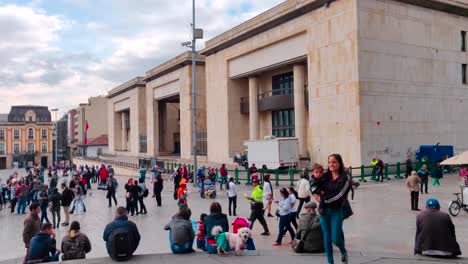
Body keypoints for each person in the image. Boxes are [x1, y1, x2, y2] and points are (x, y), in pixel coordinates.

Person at [318, 154, 351, 264]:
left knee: (336, 238)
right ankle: (330, 262)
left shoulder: (345, 178)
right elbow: (313, 182)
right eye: (329, 162)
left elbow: (340, 195)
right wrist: (315, 194)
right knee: (326, 238)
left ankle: (343, 251)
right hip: (323, 211)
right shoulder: (325, 176)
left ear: (339, 163)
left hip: (336, 210)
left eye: (334, 162)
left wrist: (324, 199)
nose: (331, 164)